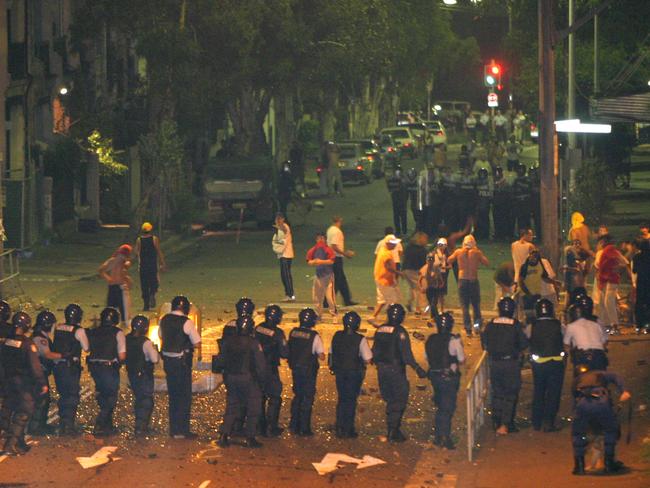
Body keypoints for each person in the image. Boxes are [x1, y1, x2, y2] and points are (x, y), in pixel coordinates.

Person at [372, 304, 427, 442]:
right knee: (399, 399)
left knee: (390, 398)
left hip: (382, 369)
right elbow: (406, 354)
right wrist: (417, 368)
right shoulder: (400, 331)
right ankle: (393, 430)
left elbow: (374, 351)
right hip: (395, 370)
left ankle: (393, 428)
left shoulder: (380, 329)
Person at [0, 312, 48, 456]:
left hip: (8, 381)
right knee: (24, 412)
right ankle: (10, 445)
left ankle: (19, 444)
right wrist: (42, 382)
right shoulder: (27, 344)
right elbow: (35, 366)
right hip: (23, 383)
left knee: (10, 407)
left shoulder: (6, 341)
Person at [215, 315, 266, 448]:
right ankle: (250, 437)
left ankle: (224, 435)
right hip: (248, 378)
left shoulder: (228, 341)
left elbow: (220, 361)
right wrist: (262, 380)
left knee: (231, 406)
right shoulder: (254, 343)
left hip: (231, 377)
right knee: (254, 408)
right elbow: (260, 364)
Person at [571, 364, 631, 475]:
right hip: (601, 400)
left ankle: (579, 466)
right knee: (610, 431)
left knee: (577, 433)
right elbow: (616, 377)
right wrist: (624, 391)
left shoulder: (576, 381)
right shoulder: (600, 373)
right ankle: (609, 464)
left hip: (582, 403)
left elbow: (575, 401)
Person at [481, 297, 529, 435]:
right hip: (511, 363)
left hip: (495, 363)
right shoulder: (516, 325)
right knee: (510, 394)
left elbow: (484, 342)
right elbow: (524, 344)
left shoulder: (491, 324)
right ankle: (506, 424)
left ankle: (496, 421)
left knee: (497, 393)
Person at [158, 295, 201, 439]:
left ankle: (173, 429)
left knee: (173, 395)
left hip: (168, 361)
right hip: (182, 363)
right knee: (184, 396)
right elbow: (196, 342)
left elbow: (160, 335)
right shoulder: (186, 322)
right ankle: (183, 430)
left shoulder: (164, 319)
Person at [425, 312, 464, 449]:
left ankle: (438, 435)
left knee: (441, 405)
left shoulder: (430, 339)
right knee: (447, 407)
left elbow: (427, 358)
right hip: (448, 377)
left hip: (435, 376)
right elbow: (461, 359)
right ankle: (444, 437)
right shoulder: (453, 340)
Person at [329, 311, 372, 438]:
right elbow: (368, 359)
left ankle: (339, 426)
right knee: (351, 400)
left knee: (342, 399)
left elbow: (331, 353)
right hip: (354, 373)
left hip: (340, 372)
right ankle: (348, 429)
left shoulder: (337, 335)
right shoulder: (360, 339)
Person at [86, 307, 127, 436]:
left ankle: (107, 426)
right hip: (109, 367)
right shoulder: (117, 333)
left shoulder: (93, 331)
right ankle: (100, 422)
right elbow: (122, 355)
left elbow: (87, 348)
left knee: (102, 395)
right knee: (110, 397)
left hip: (94, 367)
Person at [52, 303, 89, 436]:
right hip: (70, 367)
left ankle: (62, 423)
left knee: (63, 395)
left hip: (57, 366)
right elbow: (86, 348)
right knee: (72, 396)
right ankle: (68, 426)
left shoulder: (58, 327)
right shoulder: (78, 331)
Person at [529, 299, 565, 432]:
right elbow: (566, 338)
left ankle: (536, 422)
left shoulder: (532, 325)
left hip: (538, 364)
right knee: (553, 393)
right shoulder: (558, 324)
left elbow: (527, 338)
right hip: (556, 363)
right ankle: (549, 421)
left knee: (539, 391)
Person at [288, 308, 325, 436]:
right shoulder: (314, 336)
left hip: (295, 368)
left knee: (297, 395)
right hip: (309, 370)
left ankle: (293, 424)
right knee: (307, 398)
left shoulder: (293, 332)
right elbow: (321, 355)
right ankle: (304, 428)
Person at [255, 304, 288, 437]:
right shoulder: (278, 333)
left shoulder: (257, 328)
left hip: (256, 367)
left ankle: (259, 425)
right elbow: (285, 353)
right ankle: (271, 427)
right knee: (275, 397)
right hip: (270, 368)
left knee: (260, 396)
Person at [29, 311, 63, 435]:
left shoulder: (40, 335)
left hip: (39, 372)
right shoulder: (40, 338)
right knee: (41, 399)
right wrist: (63, 356)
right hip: (38, 373)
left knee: (44, 399)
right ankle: (36, 427)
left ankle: (40, 425)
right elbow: (47, 354)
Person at [448, 235, 489, 336]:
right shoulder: (476, 252)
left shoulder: (458, 252)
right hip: (473, 280)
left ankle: (468, 329)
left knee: (464, 306)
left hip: (462, 280)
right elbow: (486, 263)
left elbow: (449, 260)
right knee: (476, 305)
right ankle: (477, 327)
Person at [126, 315, 159, 437]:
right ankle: (141, 427)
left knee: (139, 398)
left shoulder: (126, 339)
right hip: (144, 374)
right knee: (146, 400)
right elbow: (154, 359)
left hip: (131, 372)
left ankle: (139, 425)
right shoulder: (145, 342)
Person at [596, 235, 631, 333]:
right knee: (603, 303)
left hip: (611, 279)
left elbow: (623, 262)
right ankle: (607, 324)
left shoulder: (610, 250)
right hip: (604, 279)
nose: (599, 244)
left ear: (604, 242)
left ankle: (614, 325)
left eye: (600, 242)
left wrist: (616, 268)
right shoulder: (604, 252)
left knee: (608, 302)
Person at [564, 295, 608, 371]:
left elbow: (566, 344)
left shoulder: (571, 326)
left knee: (578, 379)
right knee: (602, 378)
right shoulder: (596, 323)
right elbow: (604, 340)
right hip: (599, 356)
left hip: (582, 357)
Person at [518, 249, 559, 325]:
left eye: (535, 257)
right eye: (531, 257)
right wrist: (528, 293)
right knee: (529, 314)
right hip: (526, 295)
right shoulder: (524, 267)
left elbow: (544, 277)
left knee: (536, 314)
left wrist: (554, 282)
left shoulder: (540, 266)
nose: (533, 259)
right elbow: (521, 281)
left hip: (537, 294)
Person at [134, 222, 167, 311]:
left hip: (143, 266)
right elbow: (159, 251)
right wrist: (163, 263)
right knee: (154, 282)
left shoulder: (139, 240)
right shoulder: (154, 239)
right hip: (152, 265)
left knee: (144, 284)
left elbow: (136, 252)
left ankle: (146, 304)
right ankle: (152, 293)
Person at [98, 244, 133, 323]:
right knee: (123, 311)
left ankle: (109, 324)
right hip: (119, 287)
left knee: (110, 309)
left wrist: (108, 278)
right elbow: (123, 271)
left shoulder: (112, 261)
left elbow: (101, 270)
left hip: (112, 286)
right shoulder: (121, 261)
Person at [371, 238, 403, 323]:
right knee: (393, 301)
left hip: (379, 279)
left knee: (382, 300)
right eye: (393, 244)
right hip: (385, 280)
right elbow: (388, 267)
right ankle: (390, 320)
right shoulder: (387, 254)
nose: (395, 245)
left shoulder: (382, 250)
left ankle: (373, 317)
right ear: (388, 244)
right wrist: (399, 273)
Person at [306, 232, 337, 319]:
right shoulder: (314, 249)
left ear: (325, 239)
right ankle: (318, 314)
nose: (320, 240)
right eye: (319, 238)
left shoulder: (328, 249)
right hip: (318, 275)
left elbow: (332, 261)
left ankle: (333, 314)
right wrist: (313, 262)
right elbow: (308, 260)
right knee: (316, 297)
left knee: (330, 297)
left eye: (322, 238)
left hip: (328, 275)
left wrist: (320, 261)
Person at [327, 216, 356, 306]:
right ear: (339, 221)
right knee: (337, 280)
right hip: (336, 257)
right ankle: (327, 301)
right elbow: (334, 246)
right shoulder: (337, 232)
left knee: (341, 279)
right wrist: (345, 253)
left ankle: (347, 299)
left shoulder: (330, 230)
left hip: (331, 257)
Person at [401, 232, 429, 314]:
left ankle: (409, 303)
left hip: (406, 270)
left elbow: (404, 257)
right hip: (413, 271)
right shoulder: (421, 250)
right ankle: (418, 308)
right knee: (420, 287)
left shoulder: (409, 247)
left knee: (413, 288)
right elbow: (423, 262)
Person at [272, 213, 295, 302]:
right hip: (282, 255)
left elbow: (284, 231)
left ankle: (290, 294)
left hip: (286, 254)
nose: (278, 221)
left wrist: (279, 227)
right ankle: (288, 294)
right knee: (284, 275)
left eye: (279, 219)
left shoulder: (285, 227)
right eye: (276, 219)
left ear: (283, 219)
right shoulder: (278, 229)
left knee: (286, 275)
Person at [419, 252, 445, 320]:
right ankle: (434, 317)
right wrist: (421, 287)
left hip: (435, 288)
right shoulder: (424, 269)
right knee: (431, 303)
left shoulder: (436, 268)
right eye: (429, 259)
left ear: (433, 260)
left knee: (434, 303)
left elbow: (440, 279)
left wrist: (441, 285)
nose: (430, 261)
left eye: (431, 259)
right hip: (428, 289)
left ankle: (435, 317)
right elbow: (420, 279)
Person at [633, 238, 650, 333]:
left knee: (639, 303)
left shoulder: (637, 257)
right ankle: (648, 324)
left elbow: (634, 270)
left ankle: (639, 324)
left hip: (641, 281)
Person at [493, 166, 513, 241]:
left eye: (499, 171)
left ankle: (504, 234)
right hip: (496, 204)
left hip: (503, 204)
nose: (497, 173)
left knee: (504, 219)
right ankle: (498, 234)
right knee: (497, 219)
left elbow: (507, 193)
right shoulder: (493, 180)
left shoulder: (505, 181)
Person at [386, 165, 408, 235]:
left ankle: (400, 231)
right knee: (402, 216)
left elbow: (389, 188)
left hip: (397, 200)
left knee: (397, 216)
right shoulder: (403, 179)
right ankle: (403, 231)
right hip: (401, 200)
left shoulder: (394, 179)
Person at [512, 164, 532, 233]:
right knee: (520, 219)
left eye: (521, 169)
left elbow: (528, 188)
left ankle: (528, 234)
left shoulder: (527, 179)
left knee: (526, 218)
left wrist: (520, 183)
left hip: (526, 202)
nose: (520, 171)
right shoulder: (515, 180)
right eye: (519, 169)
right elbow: (513, 191)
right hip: (518, 202)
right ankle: (521, 234)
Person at [475, 168, 493, 240]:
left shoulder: (489, 182)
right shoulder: (477, 182)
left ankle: (485, 234)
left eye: (483, 174)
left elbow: (491, 194)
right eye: (481, 174)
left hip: (485, 203)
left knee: (485, 219)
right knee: (478, 219)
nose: (482, 175)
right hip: (479, 203)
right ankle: (479, 234)